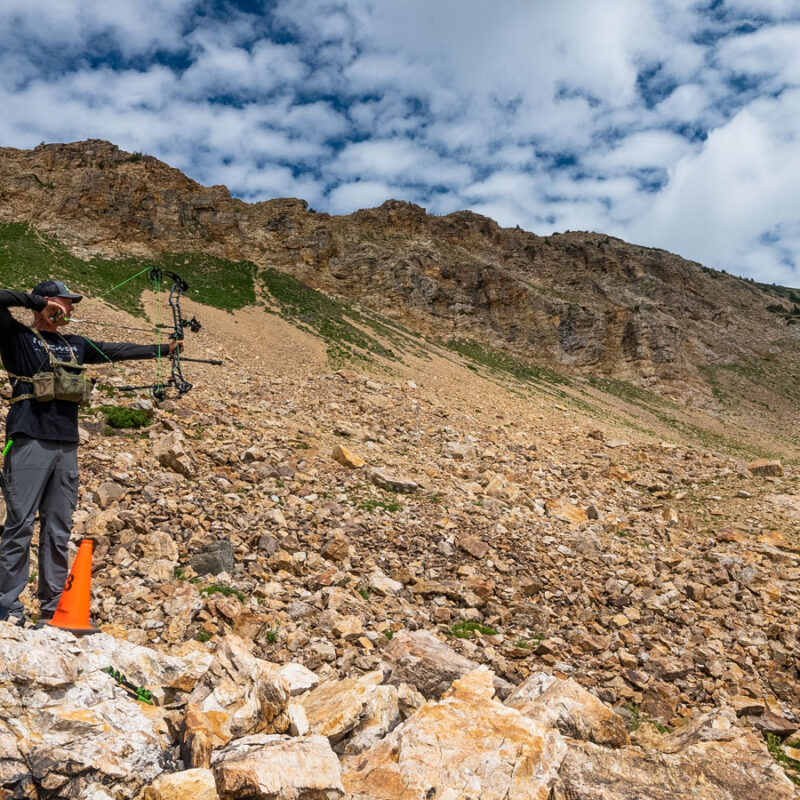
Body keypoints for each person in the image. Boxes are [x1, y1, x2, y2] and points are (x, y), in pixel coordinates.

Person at [0, 279, 180, 626]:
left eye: (72, 304)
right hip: (28, 440)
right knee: (20, 525)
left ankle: (52, 608)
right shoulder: (17, 336)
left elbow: (117, 350)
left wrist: (164, 349)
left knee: (58, 528)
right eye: (66, 302)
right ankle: (7, 608)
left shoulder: (76, 345)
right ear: (49, 303)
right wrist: (32, 301)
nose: (71, 309)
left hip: (66, 446)